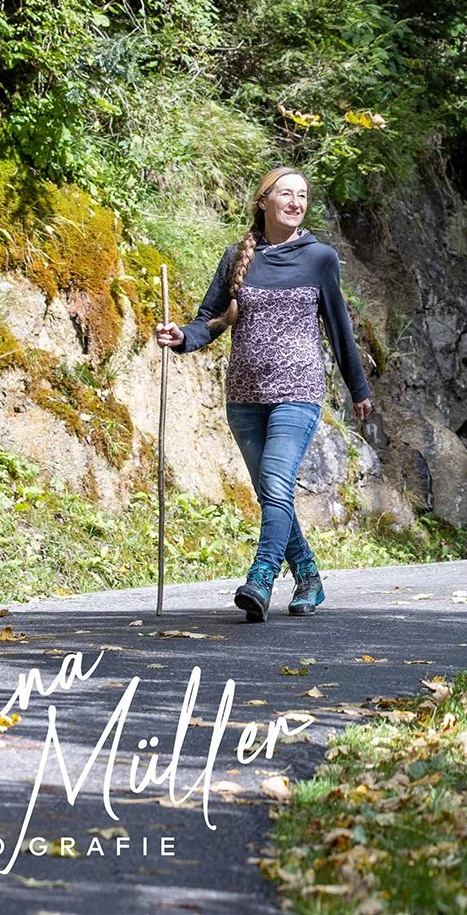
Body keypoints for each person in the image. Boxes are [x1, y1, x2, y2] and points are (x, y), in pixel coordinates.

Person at [154, 167, 373, 621]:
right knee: (271, 492)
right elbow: (209, 320)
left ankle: (261, 577)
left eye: (303, 195)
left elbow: (339, 328)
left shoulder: (320, 258)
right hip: (245, 396)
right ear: (264, 201)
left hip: (298, 391)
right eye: (286, 194)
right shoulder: (238, 256)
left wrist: (358, 388)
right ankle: (309, 575)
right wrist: (182, 337)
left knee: (276, 482)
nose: (296, 202)